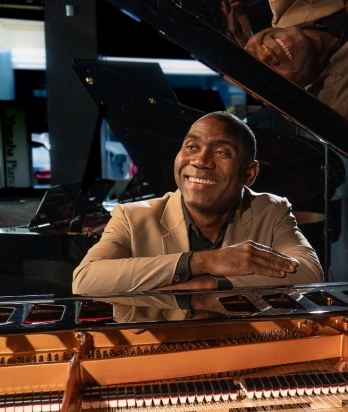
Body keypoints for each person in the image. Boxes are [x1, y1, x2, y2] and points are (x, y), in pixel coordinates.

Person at [72, 111, 323, 296]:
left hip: (241, 348)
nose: (201, 160)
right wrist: (203, 262)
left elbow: (310, 272)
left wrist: (211, 283)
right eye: (192, 146)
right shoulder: (131, 217)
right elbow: (85, 279)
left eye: (222, 152)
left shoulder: (272, 210)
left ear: (250, 173)